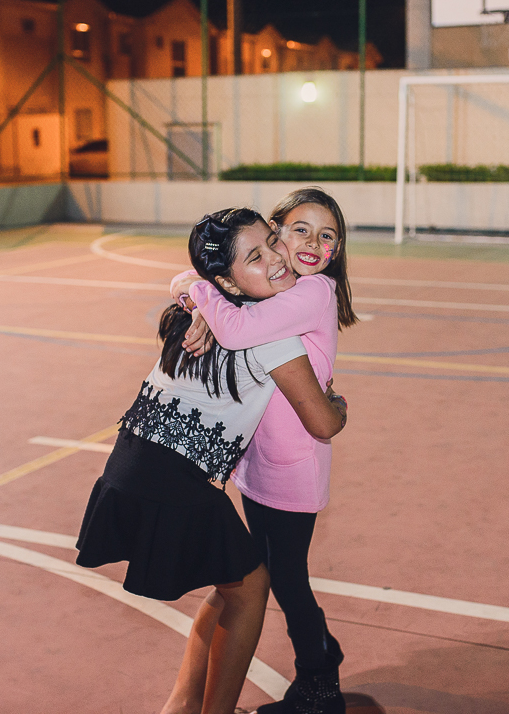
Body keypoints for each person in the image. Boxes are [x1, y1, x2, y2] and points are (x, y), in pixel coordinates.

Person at [75, 207, 348, 714]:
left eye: (272, 242)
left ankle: (180, 706)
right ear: (226, 279)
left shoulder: (199, 313)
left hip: (131, 462)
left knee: (231, 587)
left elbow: (194, 283)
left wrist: (201, 295)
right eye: (256, 255)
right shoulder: (271, 336)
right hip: (175, 480)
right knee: (251, 590)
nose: (276, 258)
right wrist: (337, 401)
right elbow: (323, 423)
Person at [171, 188, 358, 714]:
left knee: (286, 578)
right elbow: (185, 278)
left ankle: (320, 682)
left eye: (328, 235)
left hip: (293, 469)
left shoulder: (313, 291)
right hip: (257, 464)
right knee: (275, 571)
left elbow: (238, 330)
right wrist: (199, 292)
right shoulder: (281, 284)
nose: (313, 243)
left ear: (337, 250)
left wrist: (209, 303)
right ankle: (323, 650)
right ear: (275, 232)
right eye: (299, 229)